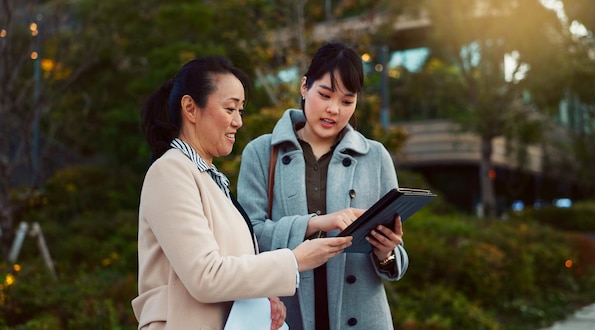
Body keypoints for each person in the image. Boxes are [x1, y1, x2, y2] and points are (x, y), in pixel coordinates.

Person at [132, 55, 352, 329]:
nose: (238, 122)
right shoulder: (170, 171)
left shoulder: (210, 178)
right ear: (190, 107)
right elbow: (205, 276)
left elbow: (228, 267)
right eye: (230, 109)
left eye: (241, 111)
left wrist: (262, 296)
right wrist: (295, 260)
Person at [237, 42, 409, 330]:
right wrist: (317, 223)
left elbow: (397, 260)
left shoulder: (375, 156)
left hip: (363, 317)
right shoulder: (262, 152)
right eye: (325, 94)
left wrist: (387, 252)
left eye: (346, 101)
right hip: (285, 316)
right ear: (305, 87)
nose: (333, 110)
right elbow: (248, 239)